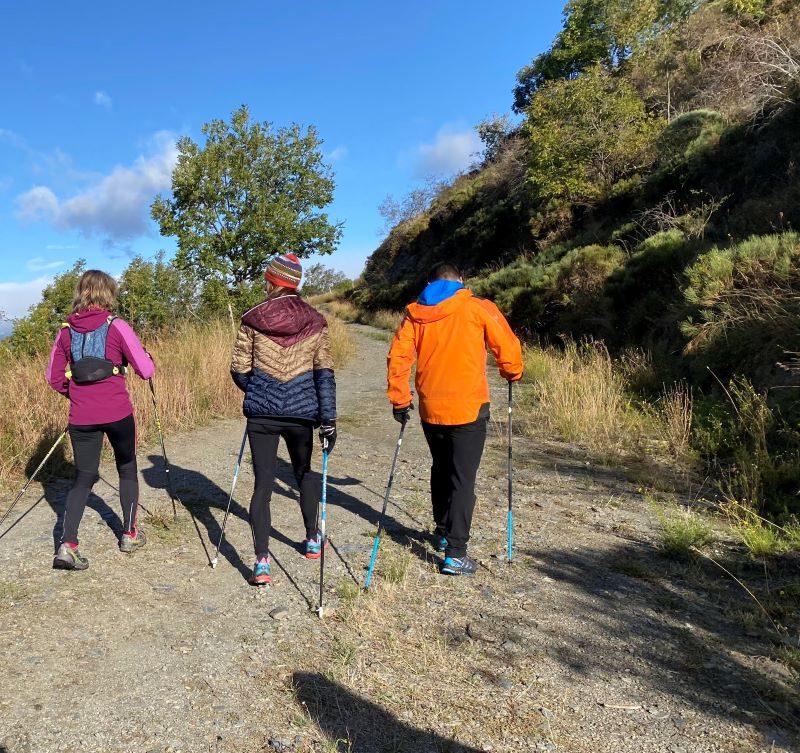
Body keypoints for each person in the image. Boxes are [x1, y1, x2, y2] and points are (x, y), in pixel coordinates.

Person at [387, 262, 523, 575]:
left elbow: (399, 357)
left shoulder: (414, 315)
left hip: (430, 408)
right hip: (469, 408)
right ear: (461, 280)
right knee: (463, 477)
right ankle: (456, 554)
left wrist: (399, 398)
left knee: (441, 467)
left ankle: (443, 530)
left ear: (428, 282)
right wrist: (512, 371)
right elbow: (507, 345)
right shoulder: (478, 308)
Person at [230, 253, 337, 586]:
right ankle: (311, 540)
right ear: (295, 283)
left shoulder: (252, 319)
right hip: (302, 415)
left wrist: (262, 390)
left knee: (263, 484)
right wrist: (328, 418)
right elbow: (325, 374)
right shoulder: (316, 320)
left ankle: (261, 561)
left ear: (272, 280)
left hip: (262, 414)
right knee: (304, 474)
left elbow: (239, 371)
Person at [46, 270, 155, 571]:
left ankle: (67, 546)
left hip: (81, 416)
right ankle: (130, 534)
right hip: (117, 412)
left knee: (83, 475)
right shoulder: (117, 326)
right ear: (108, 294)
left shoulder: (65, 331)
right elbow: (145, 370)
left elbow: (53, 378)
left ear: (81, 293)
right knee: (127, 466)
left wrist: (79, 395)